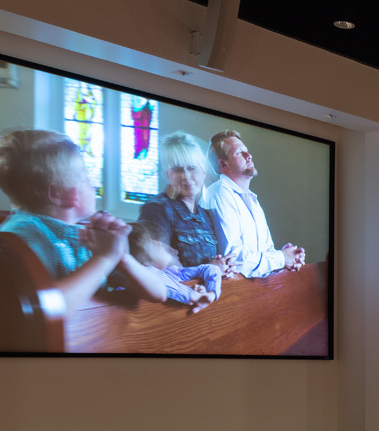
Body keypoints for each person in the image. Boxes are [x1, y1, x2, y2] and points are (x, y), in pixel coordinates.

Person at [0, 129, 170, 312]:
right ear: (58, 193)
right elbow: (45, 310)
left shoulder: (84, 235)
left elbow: (158, 294)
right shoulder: (23, 235)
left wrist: (121, 255)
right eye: (85, 178)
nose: (92, 187)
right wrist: (104, 258)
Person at [200, 128, 305, 278]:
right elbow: (233, 259)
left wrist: (288, 258)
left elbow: (266, 251)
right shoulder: (219, 193)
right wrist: (281, 258)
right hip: (233, 295)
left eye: (246, 151)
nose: (249, 156)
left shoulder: (251, 199)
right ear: (224, 165)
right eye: (239, 153)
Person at [136, 131, 232, 270]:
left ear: (203, 171)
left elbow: (212, 263)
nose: (186, 176)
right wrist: (209, 269)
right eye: (177, 169)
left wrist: (224, 265)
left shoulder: (207, 215)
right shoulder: (157, 208)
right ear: (167, 174)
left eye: (192, 168)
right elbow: (158, 269)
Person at [127, 220, 220, 313]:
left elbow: (210, 268)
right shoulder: (135, 283)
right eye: (151, 243)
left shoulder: (173, 272)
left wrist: (211, 293)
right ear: (143, 264)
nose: (158, 243)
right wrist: (191, 294)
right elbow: (152, 277)